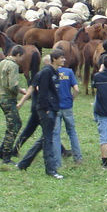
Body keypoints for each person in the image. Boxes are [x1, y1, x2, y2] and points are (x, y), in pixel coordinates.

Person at [16, 49, 65, 179]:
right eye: (61, 58)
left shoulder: (54, 72)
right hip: (46, 110)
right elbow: (42, 92)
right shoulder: (46, 72)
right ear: (54, 59)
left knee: (44, 138)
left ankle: (23, 163)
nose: (64, 60)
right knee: (48, 140)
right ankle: (51, 170)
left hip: (52, 108)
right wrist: (46, 109)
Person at [0, 45, 26, 164]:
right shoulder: (13, 65)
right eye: (22, 57)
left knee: (14, 124)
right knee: (14, 126)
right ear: (18, 55)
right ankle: (6, 156)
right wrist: (21, 91)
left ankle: (0, 150)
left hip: (1, 97)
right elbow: (13, 85)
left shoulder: (1, 63)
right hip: (8, 99)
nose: (22, 60)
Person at [53, 56, 82, 166]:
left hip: (56, 107)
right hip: (67, 106)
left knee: (56, 134)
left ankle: (57, 162)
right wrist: (72, 99)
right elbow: (76, 89)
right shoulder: (69, 72)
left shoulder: (51, 72)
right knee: (72, 132)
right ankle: (78, 158)